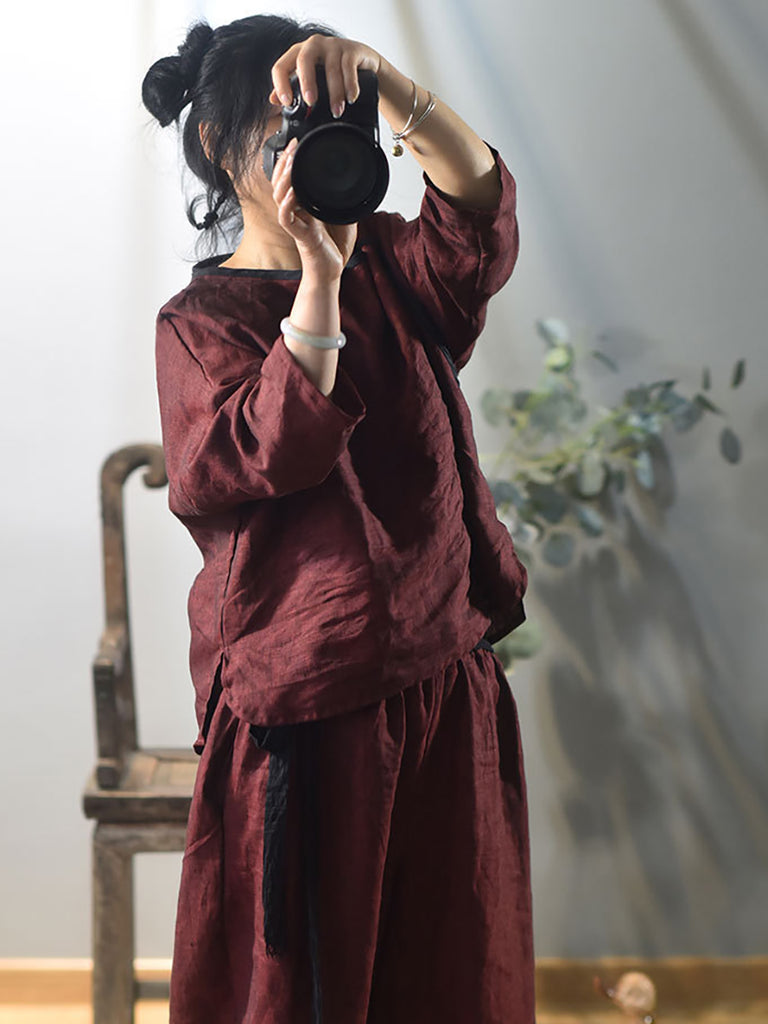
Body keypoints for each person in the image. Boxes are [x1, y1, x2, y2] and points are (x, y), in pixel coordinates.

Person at [142, 13, 534, 1024]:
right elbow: (265, 451)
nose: (306, 149)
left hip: (442, 673)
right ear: (215, 146)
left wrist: (391, 86)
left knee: (449, 969)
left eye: (326, 125)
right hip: (309, 710)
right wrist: (318, 281)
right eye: (282, 130)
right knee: (309, 990)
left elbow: (480, 215)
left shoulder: (397, 266)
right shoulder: (201, 324)